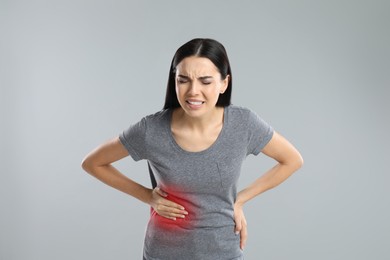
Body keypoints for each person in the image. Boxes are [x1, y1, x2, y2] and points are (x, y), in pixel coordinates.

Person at [81, 38, 303, 260]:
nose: (193, 91)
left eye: (205, 81)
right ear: (174, 81)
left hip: (223, 251)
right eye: (183, 80)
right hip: (164, 252)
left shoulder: (243, 124)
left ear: (224, 83)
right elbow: (93, 163)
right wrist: (147, 196)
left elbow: (292, 160)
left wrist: (241, 199)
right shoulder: (151, 129)